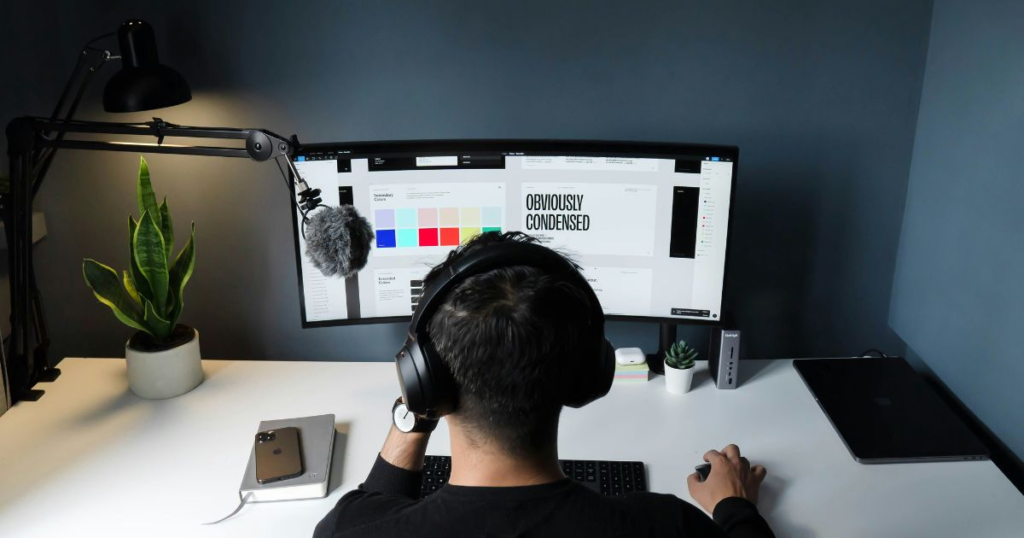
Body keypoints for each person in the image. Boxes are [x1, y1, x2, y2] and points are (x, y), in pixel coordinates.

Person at [314, 232, 774, 537]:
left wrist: (415, 409)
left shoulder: (349, 530)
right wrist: (734, 508)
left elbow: (375, 506)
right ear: (589, 375)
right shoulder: (664, 526)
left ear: (424, 380)